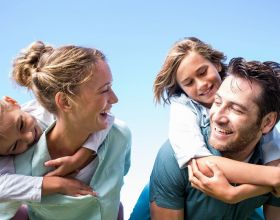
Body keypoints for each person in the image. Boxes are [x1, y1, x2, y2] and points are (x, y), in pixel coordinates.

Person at [129, 37, 280, 219]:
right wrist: (273, 179)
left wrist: (239, 193)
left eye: (202, 72)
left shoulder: (240, 87)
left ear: (216, 63)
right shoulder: (183, 109)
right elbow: (202, 163)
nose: (201, 85)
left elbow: (272, 144)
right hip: (170, 193)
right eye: (189, 83)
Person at [0, 41, 131, 220]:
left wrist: (84, 154)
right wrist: (50, 184)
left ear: (13, 102)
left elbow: (106, 121)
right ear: (65, 102)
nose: (29, 137)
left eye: (22, 125)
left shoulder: (119, 137)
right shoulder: (18, 163)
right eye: (104, 90)